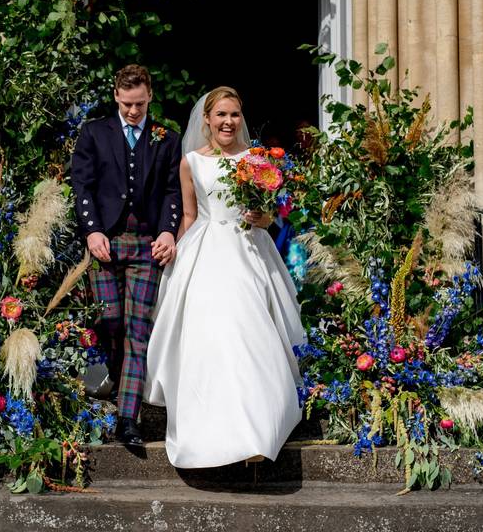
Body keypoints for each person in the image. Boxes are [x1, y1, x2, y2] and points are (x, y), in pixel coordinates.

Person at [145, 86, 306, 468]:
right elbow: (189, 215)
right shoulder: (191, 162)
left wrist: (262, 218)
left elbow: (270, 215)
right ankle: (212, 431)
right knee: (210, 339)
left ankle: (257, 431)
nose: (228, 122)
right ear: (207, 120)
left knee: (250, 333)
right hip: (205, 252)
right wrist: (175, 258)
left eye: (234, 115)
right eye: (221, 115)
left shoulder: (256, 159)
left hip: (249, 251)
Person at [70, 64, 183, 446]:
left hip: (147, 242)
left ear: (149, 95)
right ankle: (115, 380)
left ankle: (127, 418)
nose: (133, 111)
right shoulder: (94, 132)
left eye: (139, 103)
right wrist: (92, 230)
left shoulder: (166, 137)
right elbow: (82, 186)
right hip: (106, 241)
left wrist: (168, 229)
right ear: (116, 96)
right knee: (111, 321)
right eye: (127, 104)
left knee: (138, 329)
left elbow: (172, 190)